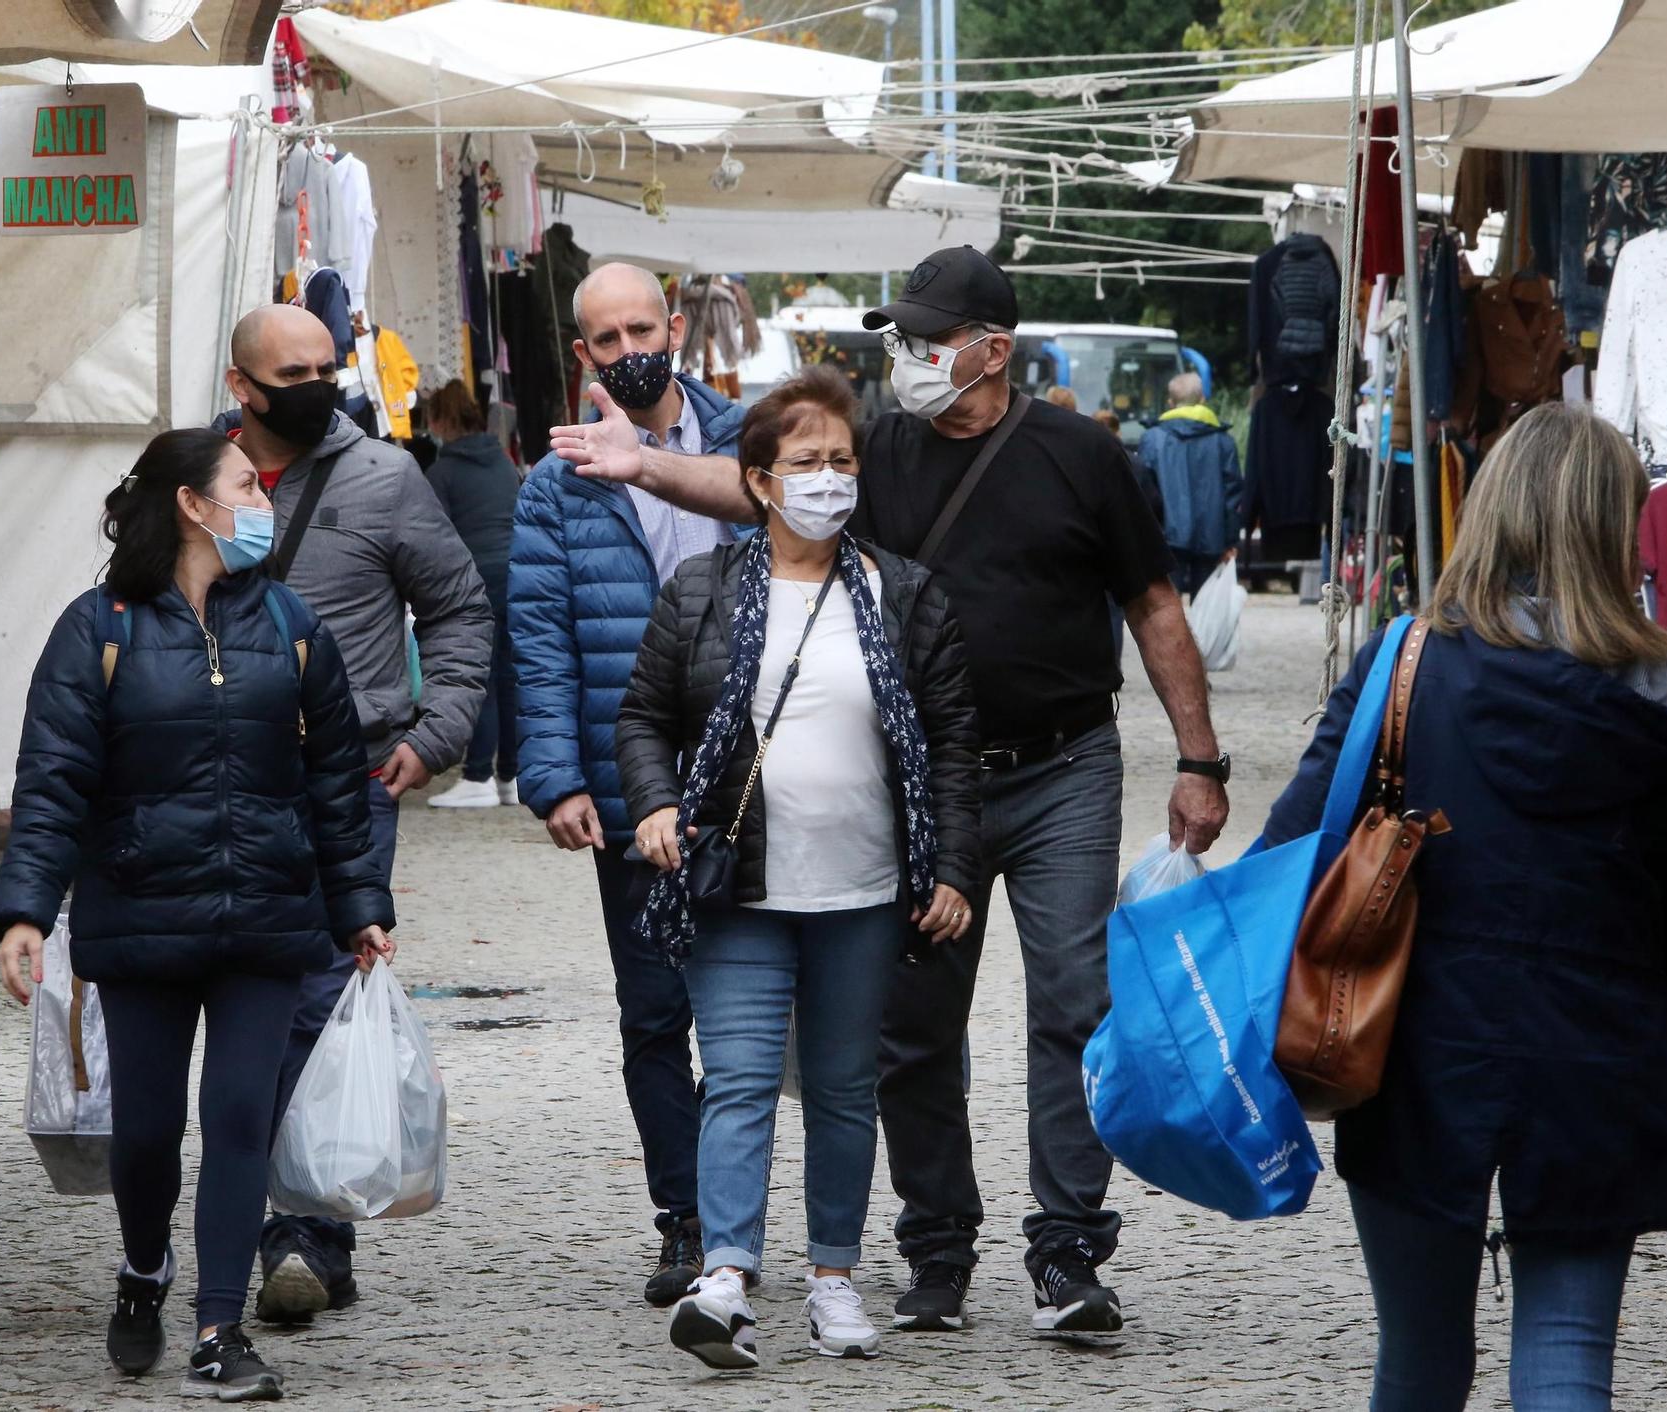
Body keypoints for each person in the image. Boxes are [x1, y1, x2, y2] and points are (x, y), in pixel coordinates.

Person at [548, 244, 1231, 1336]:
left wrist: (1198, 759)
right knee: (913, 1024)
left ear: (991, 351)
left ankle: (1065, 1249)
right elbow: (756, 484)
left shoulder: (1080, 456)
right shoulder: (881, 451)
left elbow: (1152, 605)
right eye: (899, 337)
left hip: (1063, 763)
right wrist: (642, 466)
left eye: (925, 337)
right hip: (923, 779)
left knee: (1071, 1000)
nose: (903, 355)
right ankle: (936, 1247)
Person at [1263, 403, 1667, 1410]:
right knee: (1568, 1347)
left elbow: (1290, 849)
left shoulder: (1403, 663)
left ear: (1488, 510)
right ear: (1611, 525)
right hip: (1600, 1055)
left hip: (1412, 1051)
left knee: (1415, 1357)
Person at [0, 430, 398, 1402]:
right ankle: (143, 1268)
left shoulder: (294, 623)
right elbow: (53, 783)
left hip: (268, 915)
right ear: (190, 502)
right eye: (245, 485)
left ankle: (219, 1326)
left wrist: (359, 907)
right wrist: (25, 910)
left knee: (240, 1116)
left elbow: (337, 783)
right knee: (144, 1131)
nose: (261, 499)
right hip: (141, 913)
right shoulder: (98, 628)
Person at [616, 366, 982, 1369]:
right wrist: (653, 804)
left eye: (840, 461)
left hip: (863, 887)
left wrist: (949, 864)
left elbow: (950, 740)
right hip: (736, 886)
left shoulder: (900, 592)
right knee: (734, 1077)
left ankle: (832, 1279)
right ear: (760, 481)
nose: (827, 479)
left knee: (840, 1088)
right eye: (806, 462)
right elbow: (645, 714)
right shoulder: (703, 587)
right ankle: (726, 1272)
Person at [222, 304, 492, 1324]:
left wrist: (436, 735)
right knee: (234, 996)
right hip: (213, 783)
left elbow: (461, 609)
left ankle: (304, 1230)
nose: (317, 382)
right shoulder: (192, 477)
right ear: (242, 384)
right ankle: (224, 1221)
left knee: (320, 997)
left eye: (326, 366)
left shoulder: (385, 476)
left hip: (348, 776)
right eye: (291, 369)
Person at [510, 262, 745, 1306]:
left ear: (676, 326)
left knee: (750, 1005)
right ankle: (685, 1218)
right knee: (654, 1008)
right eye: (604, 339)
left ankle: (740, 1214)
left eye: (639, 329)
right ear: (582, 354)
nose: (625, 351)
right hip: (625, 781)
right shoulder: (556, 480)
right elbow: (539, 639)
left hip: (752, 776)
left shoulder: (750, 440)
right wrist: (556, 776)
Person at [422, 380, 524, 809]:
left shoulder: (441, 472)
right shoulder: (502, 462)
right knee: (510, 677)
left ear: (441, 420)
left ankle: (478, 773)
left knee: (478, 675)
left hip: (475, 580)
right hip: (518, 574)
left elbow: (432, 536)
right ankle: (511, 777)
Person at [1136, 371, 1243, 597]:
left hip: (1165, 538)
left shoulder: (1152, 438)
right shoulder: (1223, 441)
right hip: (1213, 537)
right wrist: (1231, 540)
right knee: (1206, 613)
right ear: (1202, 400)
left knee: (1166, 608)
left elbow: (1143, 494)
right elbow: (1233, 494)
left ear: (1170, 403)